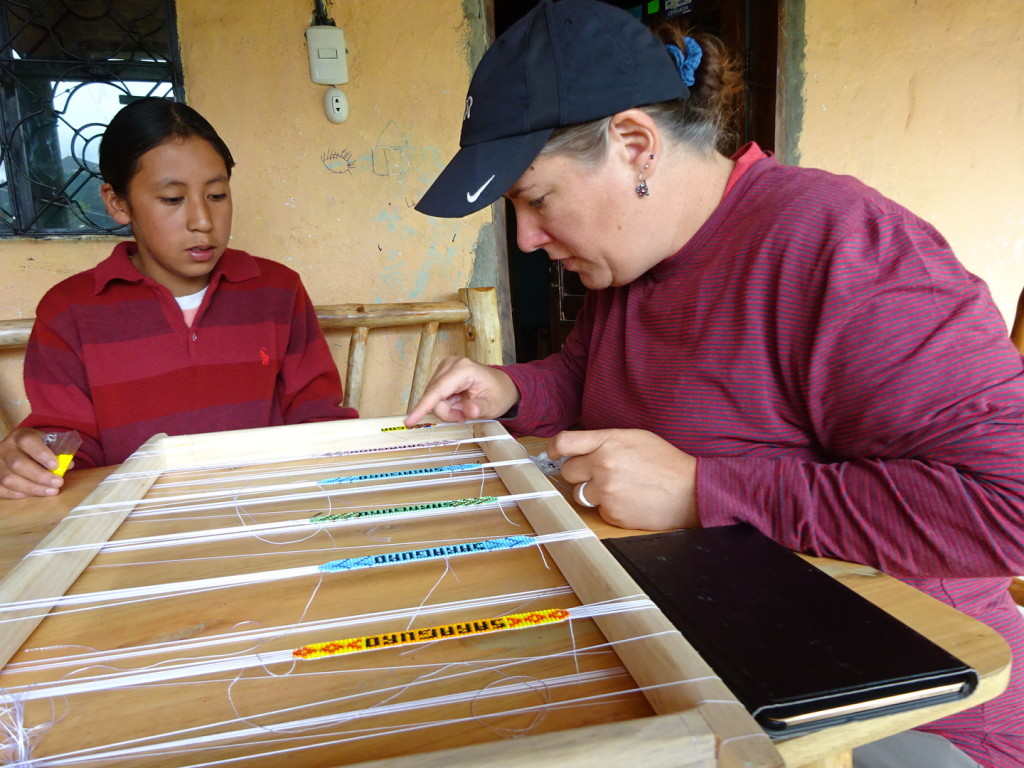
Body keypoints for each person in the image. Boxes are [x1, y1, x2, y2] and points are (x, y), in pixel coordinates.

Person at [406, 1, 1024, 766]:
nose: (527, 239)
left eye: (536, 198)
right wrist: (510, 390)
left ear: (635, 145)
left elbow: (1009, 506)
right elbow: (591, 376)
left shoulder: (840, 244)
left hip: (895, 707)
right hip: (702, 655)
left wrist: (707, 491)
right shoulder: (630, 266)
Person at [0, 98, 357, 498]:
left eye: (217, 195)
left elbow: (317, 418)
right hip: (134, 531)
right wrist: (33, 464)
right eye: (172, 199)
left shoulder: (276, 290)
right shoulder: (70, 311)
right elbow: (66, 450)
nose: (202, 221)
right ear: (118, 203)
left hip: (265, 513)